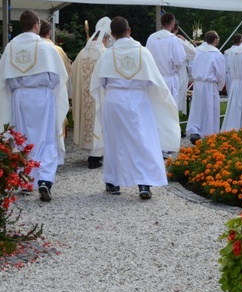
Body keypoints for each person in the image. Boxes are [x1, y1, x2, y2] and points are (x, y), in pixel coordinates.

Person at [90, 16, 180, 200]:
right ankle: (144, 183)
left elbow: (101, 81)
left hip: (115, 99)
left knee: (114, 140)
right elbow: (152, 81)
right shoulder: (143, 53)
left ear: (112, 35)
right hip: (138, 100)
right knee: (142, 139)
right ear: (129, 30)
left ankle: (113, 182)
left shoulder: (107, 54)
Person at [0, 10, 69, 202]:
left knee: (22, 138)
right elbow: (58, 78)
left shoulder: (11, 47)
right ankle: (44, 180)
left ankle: (25, 180)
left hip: (19, 97)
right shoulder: (45, 47)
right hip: (42, 96)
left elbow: (4, 79)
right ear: (37, 24)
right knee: (45, 138)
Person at [69, 16, 111, 169]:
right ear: (105, 38)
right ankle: (96, 156)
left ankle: (93, 153)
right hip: (98, 95)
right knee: (99, 122)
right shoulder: (104, 53)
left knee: (90, 121)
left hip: (85, 96)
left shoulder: (82, 52)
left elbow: (72, 74)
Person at [186, 31, 226, 143]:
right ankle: (209, 132)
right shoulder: (216, 54)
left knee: (198, 108)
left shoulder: (198, 51)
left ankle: (196, 129)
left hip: (198, 84)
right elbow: (220, 73)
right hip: (209, 84)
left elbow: (190, 67)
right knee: (209, 108)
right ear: (215, 39)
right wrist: (219, 85)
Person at [145, 12, 186, 101]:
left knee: (156, 108)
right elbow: (179, 60)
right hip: (168, 80)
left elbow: (147, 58)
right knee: (169, 109)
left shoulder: (151, 38)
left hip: (154, 79)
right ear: (172, 23)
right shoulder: (173, 39)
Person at [172, 21, 196, 117]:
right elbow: (193, 52)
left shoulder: (154, 39)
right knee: (175, 101)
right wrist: (185, 41)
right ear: (177, 29)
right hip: (177, 73)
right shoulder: (178, 41)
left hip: (161, 74)